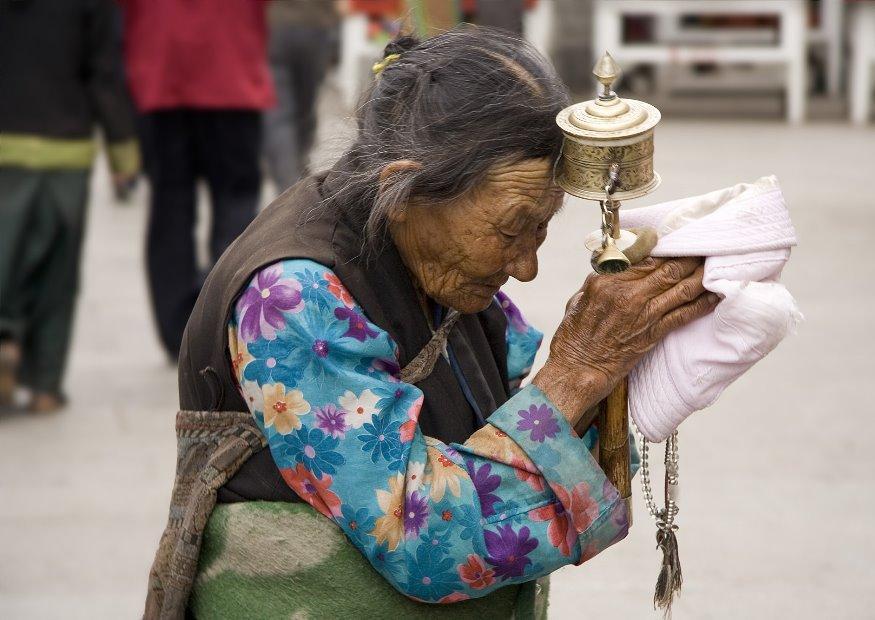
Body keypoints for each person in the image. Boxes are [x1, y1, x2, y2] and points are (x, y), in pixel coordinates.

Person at [145, 28, 717, 619]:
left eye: (541, 228)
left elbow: (523, 416)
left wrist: (630, 366)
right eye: (511, 229)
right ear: (403, 186)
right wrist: (578, 372)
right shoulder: (295, 297)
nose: (526, 267)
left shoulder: (441, 265)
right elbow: (427, 541)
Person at [0, 0, 139, 413]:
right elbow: (104, 74)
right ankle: (45, 386)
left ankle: (4, 337)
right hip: (67, 148)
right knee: (58, 274)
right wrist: (122, 154)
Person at [120, 0, 274, 359]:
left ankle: (177, 330)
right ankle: (224, 316)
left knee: (170, 205)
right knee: (236, 201)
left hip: (160, 70)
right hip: (232, 69)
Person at [263, 0, 341, 192]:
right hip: (315, 25)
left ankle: (288, 180)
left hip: (275, 24)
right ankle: (294, 175)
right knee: (304, 109)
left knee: (279, 113)